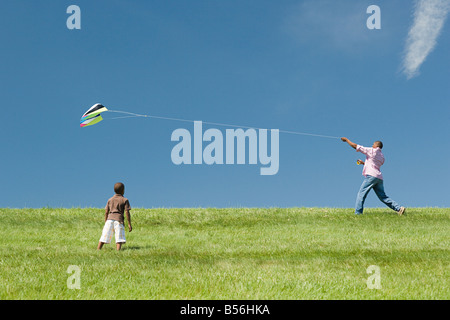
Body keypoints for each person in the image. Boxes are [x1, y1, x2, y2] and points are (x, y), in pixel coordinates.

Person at [341, 137, 405, 216]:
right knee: (383, 197)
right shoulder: (382, 157)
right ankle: (398, 208)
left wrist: (346, 140)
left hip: (371, 176)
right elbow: (374, 165)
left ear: (376, 145)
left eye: (373, 144)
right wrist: (363, 163)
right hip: (379, 178)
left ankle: (358, 214)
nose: (372, 145)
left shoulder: (371, 150)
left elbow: (355, 146)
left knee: (361, 194)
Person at [97, 182, 132, 250]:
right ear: (123, 190)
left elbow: (106, 212)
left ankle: (98, 249)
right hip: (118, 220)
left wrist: (106, 221)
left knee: (104, 235)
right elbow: (127, 212)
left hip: (109, 220)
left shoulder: (110, 199)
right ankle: (118, 251)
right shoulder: (125, 200)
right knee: (119, 236)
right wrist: (129, 224)